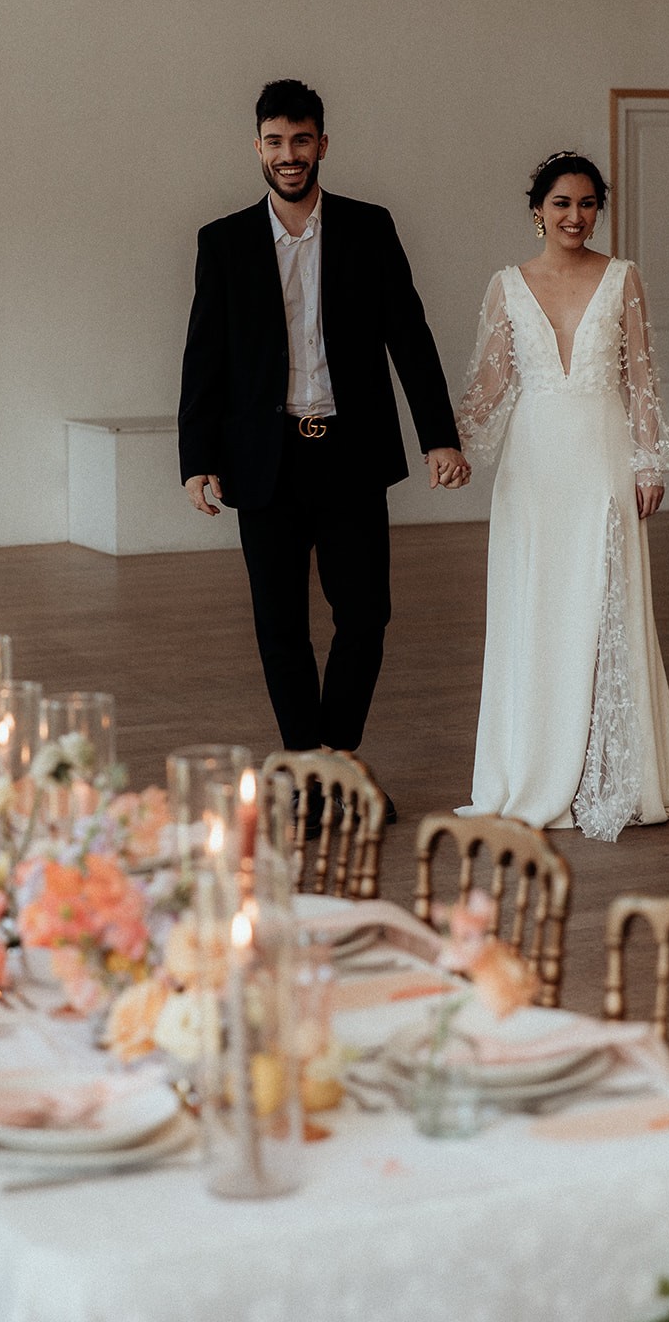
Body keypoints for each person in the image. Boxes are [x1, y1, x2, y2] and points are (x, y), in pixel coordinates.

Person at [178, 80, 470, 822]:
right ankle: (310, 773)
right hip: (263, 457)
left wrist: (439, 435)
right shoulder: (224, 241)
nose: (288, 155)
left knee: (365, 614)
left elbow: (409, 334)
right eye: (275, 141)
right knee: (279, 627)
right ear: (258, 147)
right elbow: (203, 356)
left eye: (300, 140)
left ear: (321, 145)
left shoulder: (369, 228)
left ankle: (331, 760)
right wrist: (196, 457)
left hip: (348, 452)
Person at [456, 151, 669, 840]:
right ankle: (532, 765)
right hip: (532, 465)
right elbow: (490, 383)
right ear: (537, 212)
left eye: (586, 204)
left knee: (604, 600)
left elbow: (640, 376)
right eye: (561, 204)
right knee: (535, 606)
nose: (574, 216)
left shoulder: (622, 278)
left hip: (601, 453)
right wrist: (447, 443)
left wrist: (648, 464)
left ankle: (611, 768)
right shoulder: (506, 285)